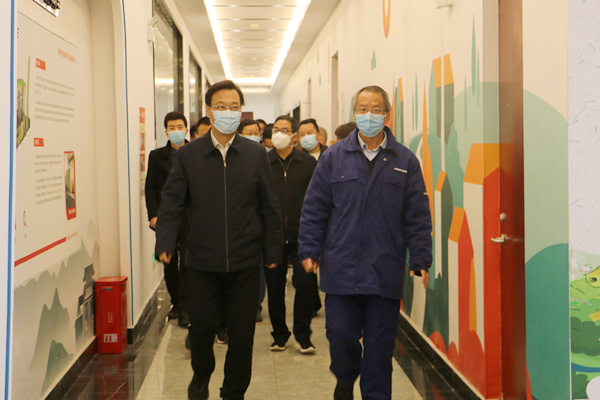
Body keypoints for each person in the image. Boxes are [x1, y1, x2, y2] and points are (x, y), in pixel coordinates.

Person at [298, 85, 432, 400]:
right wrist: (309, 250)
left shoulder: (405, 160)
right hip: (341, 268)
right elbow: (314, 208)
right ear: (354, 112)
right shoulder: (333, 157)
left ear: (387, 114)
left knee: (379, 347)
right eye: (362, 109)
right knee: (340, 336)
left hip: (385, 268)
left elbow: (416, 214)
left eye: (375, 109)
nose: (368, 115)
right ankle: (345, 379)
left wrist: (420, 259)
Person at [155, 80, 283, 400]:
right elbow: (171, 202)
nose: (228, 112)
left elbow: (270, 207)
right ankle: (201, 376)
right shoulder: (190, 155)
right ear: (209, 111)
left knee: (242, 334)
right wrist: (166, 242)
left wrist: (272, 251)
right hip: (202, 261)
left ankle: (233, 392)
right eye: (221, 107)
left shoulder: (256, 154)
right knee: (201, 330)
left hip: (245, 262)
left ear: (241, 111)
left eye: (234, 107)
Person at [264, 115, 318, 355]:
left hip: (302, 235)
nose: (279, 133)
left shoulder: (308, 163)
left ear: (295, 136)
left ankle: (303, 335)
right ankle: (279, 335)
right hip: (272, 235)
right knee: (275, 287)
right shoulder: (263, 162)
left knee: (305, 283)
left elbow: (318, 198)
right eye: (276, 129)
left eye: (285, 130)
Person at [145, 111, 190, 327]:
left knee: (188, 263)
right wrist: (153, 215)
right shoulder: (157, 156)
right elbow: (151, 187)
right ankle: (177, 303)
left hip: (190, 217)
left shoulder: (195, 152)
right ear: (166, 131)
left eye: (180, 127)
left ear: (186, 129)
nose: (176, 131)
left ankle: (187, 307)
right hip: (167, 217)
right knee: (168, 262)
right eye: (172, 128)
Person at [236, 118, 268, 322]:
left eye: (257, 132)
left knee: (259, 267)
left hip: (258, 225)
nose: (254, 136)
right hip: (239, 225)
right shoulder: (235, 158)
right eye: (249, 132)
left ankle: (255, 305)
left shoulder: (262, 156)